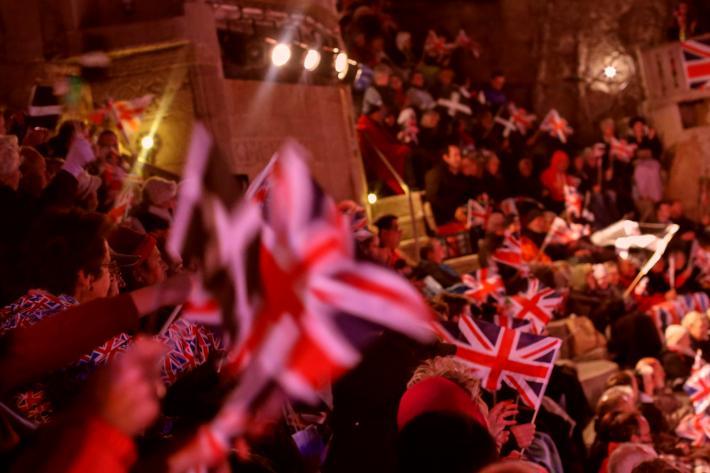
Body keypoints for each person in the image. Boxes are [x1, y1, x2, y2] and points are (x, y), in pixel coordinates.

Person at [425, 144, 469, 227]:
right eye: (455, 155)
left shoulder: (459, 175)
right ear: (446, 158)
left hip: (459, 216)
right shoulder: (435, 174)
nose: (459, 159)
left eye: (459, 155)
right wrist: (453, 211)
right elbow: (432, 198)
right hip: (442, 221)